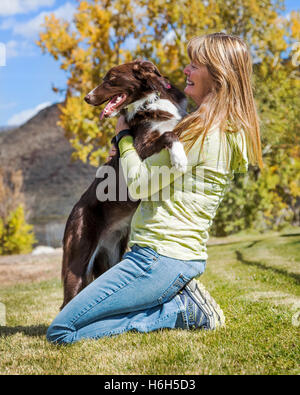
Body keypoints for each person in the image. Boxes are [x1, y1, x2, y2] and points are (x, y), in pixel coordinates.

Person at [46, 32, 262, 345]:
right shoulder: (229, 131)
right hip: (180, 256)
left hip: (156, 259)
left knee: (61, 331)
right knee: (88, 313)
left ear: (218, 74)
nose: (185, 71)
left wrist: (122, 139)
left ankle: (180, 310)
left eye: (194, 65)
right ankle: (167, 299)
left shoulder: (199, 134)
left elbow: (138, 185)